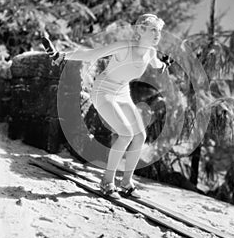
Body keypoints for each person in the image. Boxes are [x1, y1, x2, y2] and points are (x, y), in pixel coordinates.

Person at [42, 14, 173, 199]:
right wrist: (60, 56)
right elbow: (92, 54)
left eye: (159, 31)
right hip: (104, 90)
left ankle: (126, 182)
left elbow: (157, 64)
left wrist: (164, 65)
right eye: (153, 30)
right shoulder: (124, 47)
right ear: (141, 30)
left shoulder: (150, 53)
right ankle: (107, 181)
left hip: (123, 93)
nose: (157, 34)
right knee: (126, 133)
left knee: (140, 136)